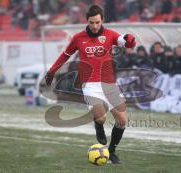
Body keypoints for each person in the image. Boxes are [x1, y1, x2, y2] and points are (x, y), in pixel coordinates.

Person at [45, 4, 136, 164]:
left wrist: (130, 40)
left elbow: (126, 42)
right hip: (90, 84)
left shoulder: (110, 34)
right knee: (101, 118)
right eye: (91, 22)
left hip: (109, 84)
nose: (95, 26)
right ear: (87, 21)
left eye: (97, 22)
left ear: (102, 21)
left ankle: (111, 152)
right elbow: (65, 55)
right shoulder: (78, 38)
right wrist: (52, 71)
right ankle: (98, 124)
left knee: (122, 121)